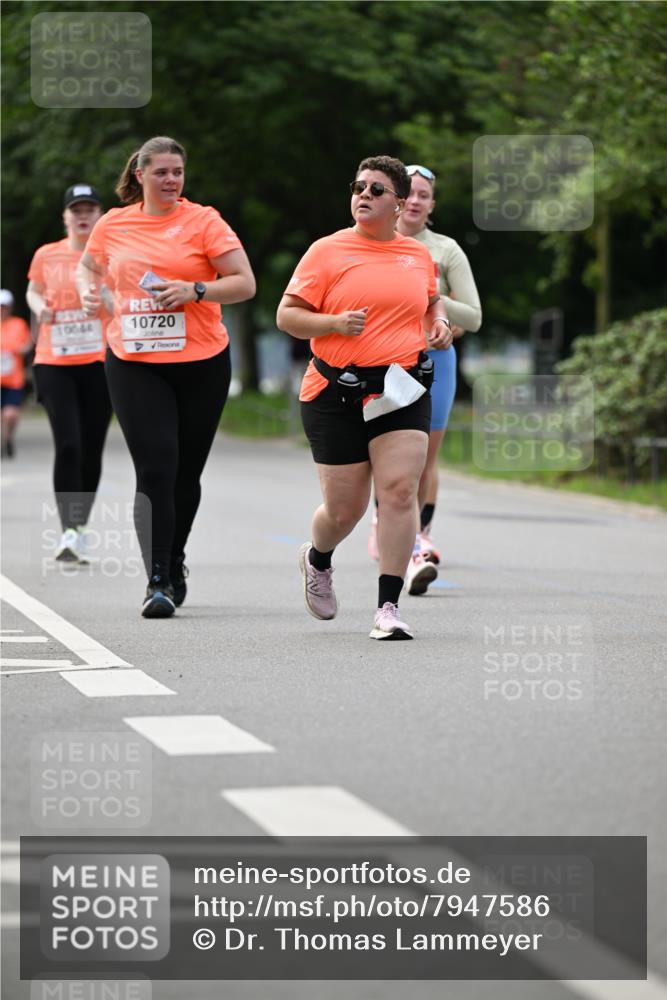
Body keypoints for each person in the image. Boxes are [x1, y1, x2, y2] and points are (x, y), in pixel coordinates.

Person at [76, 136, 256, 618]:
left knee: (185, 473)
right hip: (134, 361)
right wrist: (90, 294)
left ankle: (175, 560)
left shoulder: (204, 221)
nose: (171, 180)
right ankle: (156, 578)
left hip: (202, 362)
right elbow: (87, 268)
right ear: (139, 174)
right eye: (161, 172)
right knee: (155, 466)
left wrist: (195, 289)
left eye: (178, 172)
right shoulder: (113, 224)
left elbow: (244, 283)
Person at [276, 155, 453, 641]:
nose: (364, 196)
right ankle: (318, 558)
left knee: (398, 490)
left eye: (377, 190)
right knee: (344, 511)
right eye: (359, 187)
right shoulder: (326, 252)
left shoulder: (416, 256)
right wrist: (332, 324)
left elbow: (430, 299)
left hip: (401, 388)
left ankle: (389, 608)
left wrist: (435, 322)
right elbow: (287, 317)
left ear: (399, 203)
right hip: (335, 390)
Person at [369, 163, 482, 593]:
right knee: (385, 453)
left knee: (423, 457)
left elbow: (473, 315)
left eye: (424, 196)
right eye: (409, 193)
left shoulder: (445, 250)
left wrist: (437, 304)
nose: (415, 201)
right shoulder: (371, 240)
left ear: (432, 205)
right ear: (394, 197)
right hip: (382, 360)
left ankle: (418, 536)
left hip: (434, 359)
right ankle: (388, 522)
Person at [27, 186, 113, 561]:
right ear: (65, 217)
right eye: (75, 210)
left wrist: (107, 300)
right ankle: (69, 531)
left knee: (91, 448)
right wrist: (38, 307)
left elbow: (123, 297)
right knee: (69, 444)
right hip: (54, 361)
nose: (82, 216)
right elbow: (32, 291)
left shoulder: (111, 254)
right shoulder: (47, 254)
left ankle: (80, 527)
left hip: (101, 361)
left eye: (89, 209)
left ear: (99, 215)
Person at [1, 289, 32, 459]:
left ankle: (8, 439)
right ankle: (2, 443)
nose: (2, 310)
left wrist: (20, 350)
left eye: (4, 306)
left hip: (13, 379)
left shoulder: (18, 324)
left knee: (10, 414)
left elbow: (28, 344)